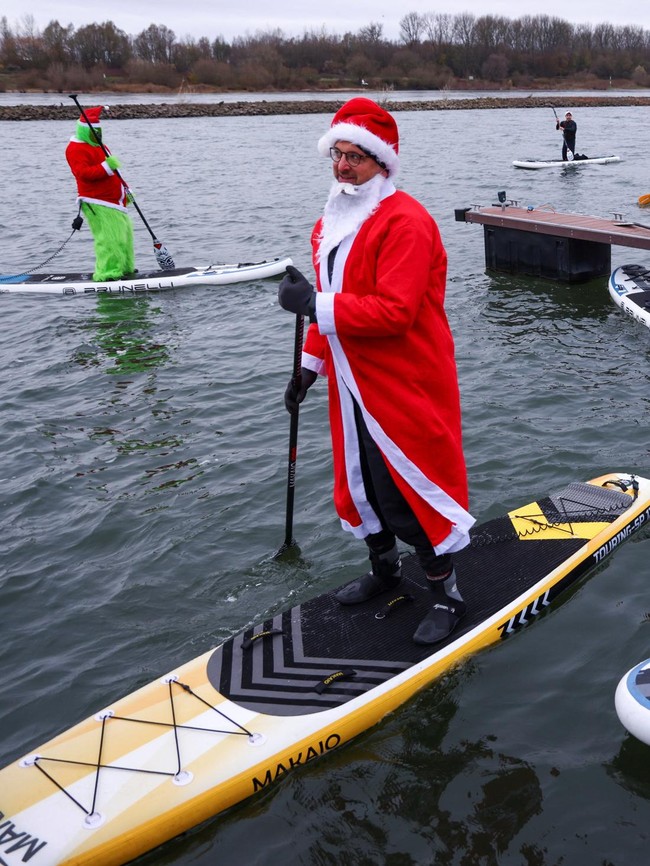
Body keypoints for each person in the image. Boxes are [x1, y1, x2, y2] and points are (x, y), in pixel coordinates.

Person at [277, 97, 475, 645]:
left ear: (381, 162)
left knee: (407, 489)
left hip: (404, 378)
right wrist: (307, 370)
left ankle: (446, 594)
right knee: (360, 484)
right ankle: (387, 574)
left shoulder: (407, 221)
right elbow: (332, 305)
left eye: (355, 158)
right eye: (336, 156)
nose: (343, 167)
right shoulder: (330, 220)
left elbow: (395, 311)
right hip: (351, 382)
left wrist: (313, 305)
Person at [65, 106, 136, 281]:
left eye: (99, 130)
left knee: (124, 236)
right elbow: (83, 174)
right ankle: (108, 273)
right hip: (97, 201)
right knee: (109, 239)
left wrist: (126, 190)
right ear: (84, 130)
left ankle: (125, 268)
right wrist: (106, 167)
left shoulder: (101, 146)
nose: (97, 134)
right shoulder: (75, 149)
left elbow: (115, 174)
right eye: (94, 131)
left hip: (114, 200)